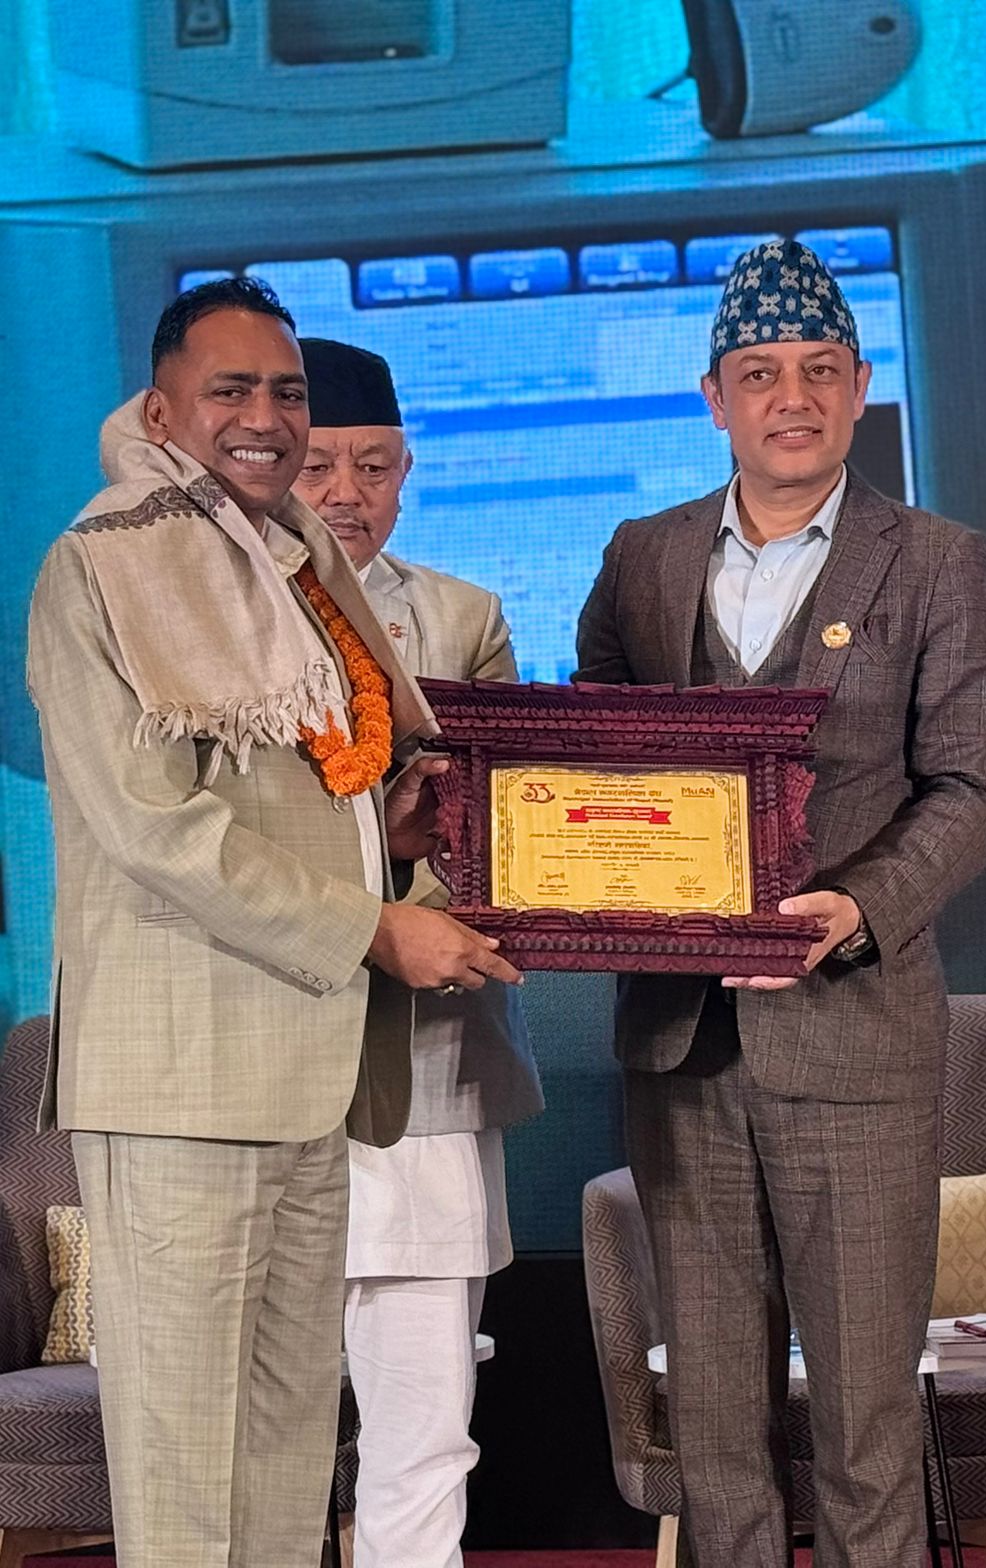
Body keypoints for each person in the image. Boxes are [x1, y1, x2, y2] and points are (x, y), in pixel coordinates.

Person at [27, 277, 520, 1568]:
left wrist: (392, 840)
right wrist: (376, 926)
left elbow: (297, 793)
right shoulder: (109, 564)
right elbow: (158, 828)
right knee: (190, 1463)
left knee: (290, 1459)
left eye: (286, 392)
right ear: (162, 410)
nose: (267, 417)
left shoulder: (290, 566)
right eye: (231, 389)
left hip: (308, 1073)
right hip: (185, 1075)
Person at [575, 237, 986, 1567]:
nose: (793, 396)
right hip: (681, 1048)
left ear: (863, 387)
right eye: (761, 371)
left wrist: (852, 909)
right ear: (714, 397)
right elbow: (592, 767)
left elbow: (974, 789)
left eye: (822, 368)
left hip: (856, 1039)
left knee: (866, 1422)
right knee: (715, 1427)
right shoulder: (643, 556)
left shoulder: (939, 560)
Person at [294, 336, 544, 1568]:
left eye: (375, 465)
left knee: (424, 1415)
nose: (346, 492)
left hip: (429, 1059)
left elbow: (495, 836)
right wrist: (356, 907)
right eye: (320, 465)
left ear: (407, 471)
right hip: (266, 1053)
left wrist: (408, 895)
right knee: (260, 1428)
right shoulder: (206, 616)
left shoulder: (459, 615)